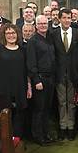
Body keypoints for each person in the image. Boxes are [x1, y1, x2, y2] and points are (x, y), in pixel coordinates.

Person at [0, 23, 32, 137]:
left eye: (13, 33)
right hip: (3, 89)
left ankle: (17, 142)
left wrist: (29, 87)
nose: (11, 35)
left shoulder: (23, 50)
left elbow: (26, 71)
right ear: (3, 35)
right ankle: (6, 143)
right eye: (7, 33)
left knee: (19, 116)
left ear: (17, 34)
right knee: (5, 117)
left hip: (20, 88)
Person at [51, 8, 78, 141]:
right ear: (59, 19)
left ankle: (71, 127)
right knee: (62, 102)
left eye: (69, 18)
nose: (67, 20)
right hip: (59, 74)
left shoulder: (77, 33)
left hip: (74, 74)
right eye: (64, 18)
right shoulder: (53, 34)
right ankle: (63, 127)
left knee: (72, 102)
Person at [27, 15, 56, 145]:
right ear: (36, 25)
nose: (43, 25)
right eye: (41, 23)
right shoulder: (33, 41)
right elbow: (31, 63)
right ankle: (38, 136)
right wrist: (36, 80)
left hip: (50, 79)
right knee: (39, 109)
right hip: (40, 80)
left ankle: (45, 133)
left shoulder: (49, 39)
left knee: (47, 108)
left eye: (45, 23)